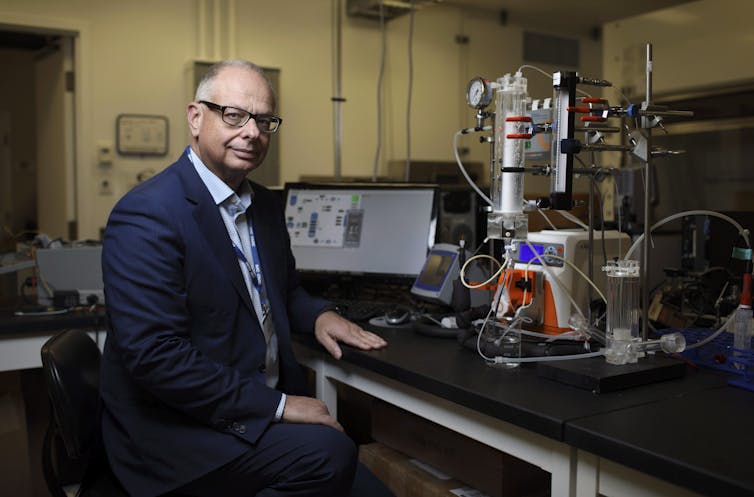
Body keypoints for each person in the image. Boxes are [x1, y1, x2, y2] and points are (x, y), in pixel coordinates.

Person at [100, 59, 392, 497]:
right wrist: (278, 406)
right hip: (179, 434)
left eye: (263, 120)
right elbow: (157, 357)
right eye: (234, 115)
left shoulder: (265, 206)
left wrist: (318, 316)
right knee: (331, 453)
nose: (252, 132)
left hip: (248, 410)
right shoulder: (148, 213)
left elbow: (284, 289)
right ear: (196, 117)